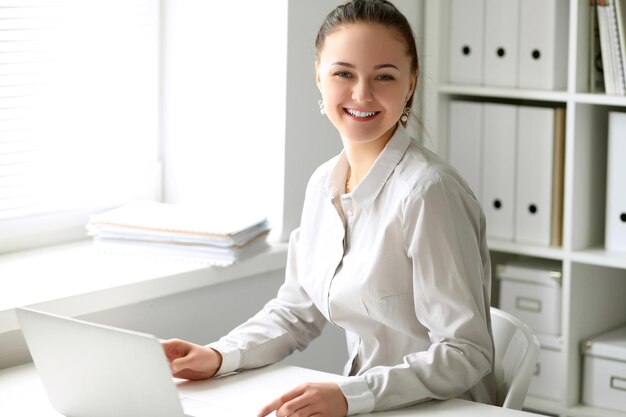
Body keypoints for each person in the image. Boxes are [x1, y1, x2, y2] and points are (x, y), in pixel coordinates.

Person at [162, 1, 496, 416]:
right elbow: (296, 312)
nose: (362, 94)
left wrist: (350, 395)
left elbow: (467, 352)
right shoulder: (323, 184)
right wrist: (218, 356)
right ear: (318, 76)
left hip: (441, 409)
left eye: (384, 77)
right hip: (368, 404)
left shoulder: (428, 193)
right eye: (343, 73)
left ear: (410, 85)